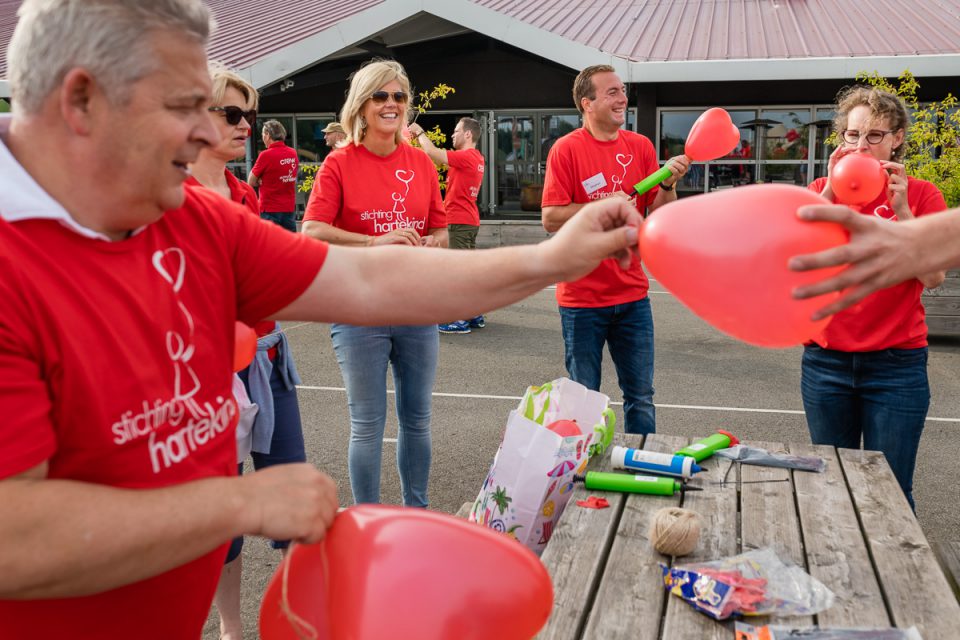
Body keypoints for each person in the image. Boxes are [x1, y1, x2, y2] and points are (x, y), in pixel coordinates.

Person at [0, 2, 642, 638]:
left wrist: (552, 257)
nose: (207, 133)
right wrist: (239, 502)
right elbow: (15, 538)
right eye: (181, 106)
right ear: (81, 101)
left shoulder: (188, 217)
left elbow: (368, 280)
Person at [185, 64, 308, 640]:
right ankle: (232, 629)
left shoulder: (244, 191)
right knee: (224, 520)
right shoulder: (173, 195)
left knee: (290, 498)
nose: (245, 126)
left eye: (249, 116)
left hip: (268, 356)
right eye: (232, 114)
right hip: (208, 372)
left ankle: (294, 621)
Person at [301, 59, 449, 509]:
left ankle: (416, 512)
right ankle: (366, 517)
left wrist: (434, 244)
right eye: (381, 96)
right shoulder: (339, 163)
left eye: (399, 97)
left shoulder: (421, 164)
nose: (391, 104)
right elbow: (311, 230)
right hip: (358, 309)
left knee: (418, 421)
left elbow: (441, 229)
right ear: (362, 106)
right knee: (367, 425)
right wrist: (374, 240)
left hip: (414, 307)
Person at [798, 85, 947, 509]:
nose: (861, 145)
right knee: (833, 486)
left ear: (897, 138)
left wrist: (902, 214)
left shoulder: (920, 195)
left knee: (892, 493)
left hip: (896, 366)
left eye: (874, 136)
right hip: (826, 362)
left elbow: (933, 276)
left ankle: (895, 577)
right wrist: (827, 193)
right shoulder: (822, 190)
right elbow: (797, 257)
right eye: (852, 135)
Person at [541, 64, 689, 436]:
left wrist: (668, 185)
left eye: (622, 91)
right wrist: (600, 205)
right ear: (586, 103)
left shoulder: (640, 147)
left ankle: (642, 467)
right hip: (581, 300)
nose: (622, 98)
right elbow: (551, 218)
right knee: (584, 400)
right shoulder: (566, 150)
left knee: (641, 395)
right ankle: (582, 472)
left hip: (632, 295)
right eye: (612, 92)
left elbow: (660, 216)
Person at [409, 116, 487, 334]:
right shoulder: (477, 157)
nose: (452, 135)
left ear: (468, 134)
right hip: (468, 219)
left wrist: (419, 132)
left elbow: (433, 153)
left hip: (458, 220)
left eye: (456, 131)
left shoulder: (467, 156)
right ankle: (473, 313)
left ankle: (458, 319)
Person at [248, 119, 299, 232]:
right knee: (290, 245)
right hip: (288, 208)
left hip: (269, 209)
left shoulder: (265, 155)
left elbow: (250, 181)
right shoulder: (292, 153)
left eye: (262, 134)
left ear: (267, 135)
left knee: (270, 246)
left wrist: (261, 180)